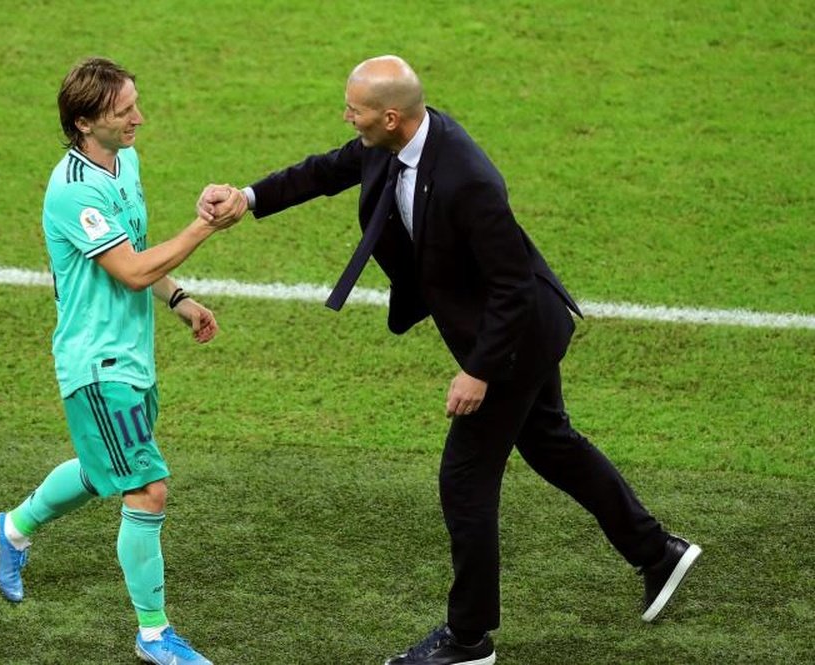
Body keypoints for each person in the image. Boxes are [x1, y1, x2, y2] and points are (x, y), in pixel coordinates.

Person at [199, 55, 701, 665]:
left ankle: (469, 639)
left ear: (390, 116)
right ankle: (658, 552)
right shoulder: (389, 143)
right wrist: (246, 198)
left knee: (465, 480)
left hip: (514, 339)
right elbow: (326, 170)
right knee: (551, 444)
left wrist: (480, 371)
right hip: (508, 331)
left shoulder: (468, 179)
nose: (346, 118)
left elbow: (512, 286)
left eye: (354, 110)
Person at [0, 57, 242, 665]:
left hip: (131, 356)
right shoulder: (75, 190)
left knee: (106, 472)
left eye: (135, 104)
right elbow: (129, 271)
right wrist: (205, 226)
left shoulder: (124, 161)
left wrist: (178, 299)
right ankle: (153, 635)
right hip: (97, 365)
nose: (138, 119)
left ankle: (11, 530)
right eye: (124, 112)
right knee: (147, 489)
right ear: (83, 122)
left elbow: (138, 251)